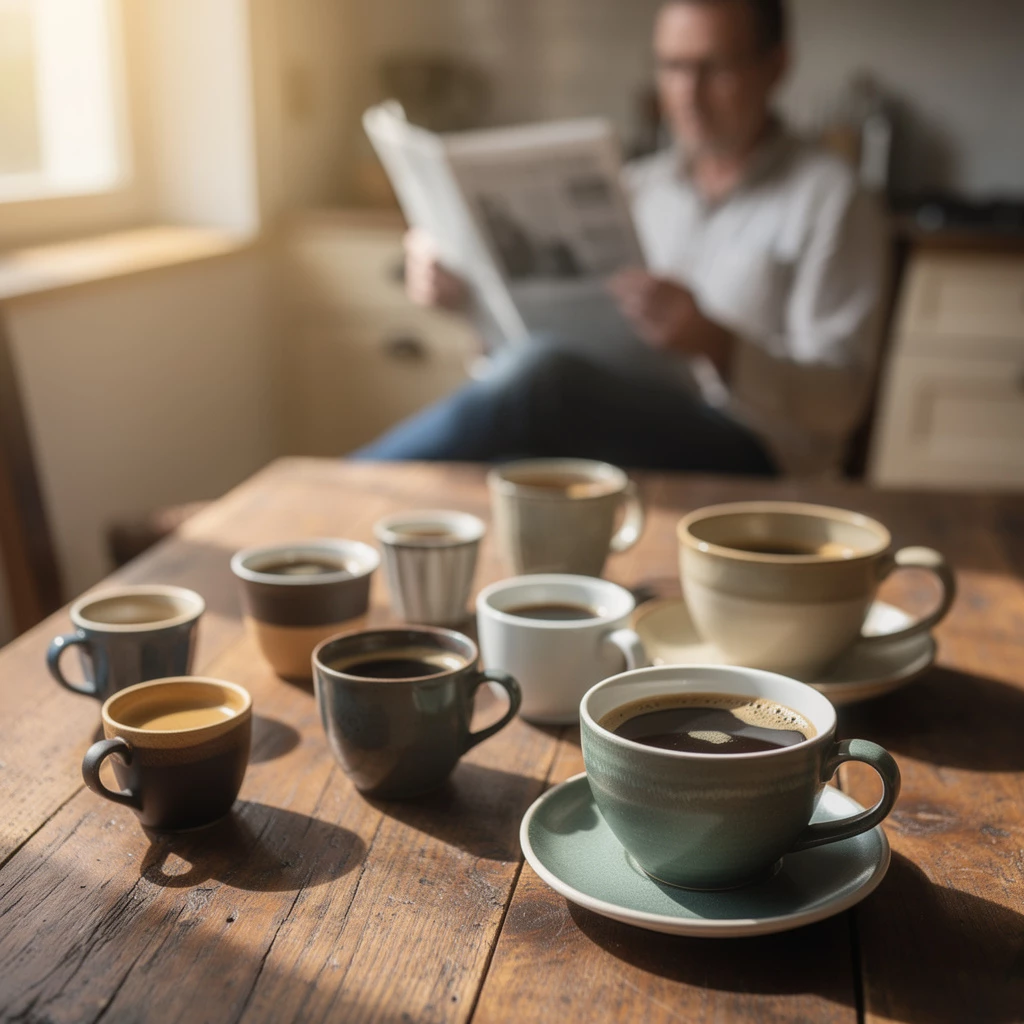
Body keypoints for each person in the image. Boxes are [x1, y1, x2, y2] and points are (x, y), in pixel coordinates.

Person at [355, 0, 886, 477]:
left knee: (544, 384)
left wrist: (720, 346)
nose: (688, 93)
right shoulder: (637, 187)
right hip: (614, 434)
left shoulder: (832, 200)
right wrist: (471, 300)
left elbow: (841, 398)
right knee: (512, 454)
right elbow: (542, 352)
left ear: (776, 66)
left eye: (714, 68)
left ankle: (339, 492)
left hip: (755, 454)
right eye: (672, 67)